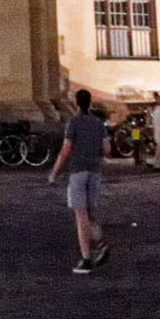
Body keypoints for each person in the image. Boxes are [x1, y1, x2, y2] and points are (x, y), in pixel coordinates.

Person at [48, 87, 110, 273]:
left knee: (80, 215)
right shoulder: (98, 123)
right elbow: (107, 149)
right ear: (90, 103)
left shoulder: (73, 123)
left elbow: (65, 150)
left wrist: (55, 172)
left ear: (76, 103)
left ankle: (86, 258)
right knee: (90, 212)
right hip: (95, 171)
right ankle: (101, 244)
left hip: (78, 170)